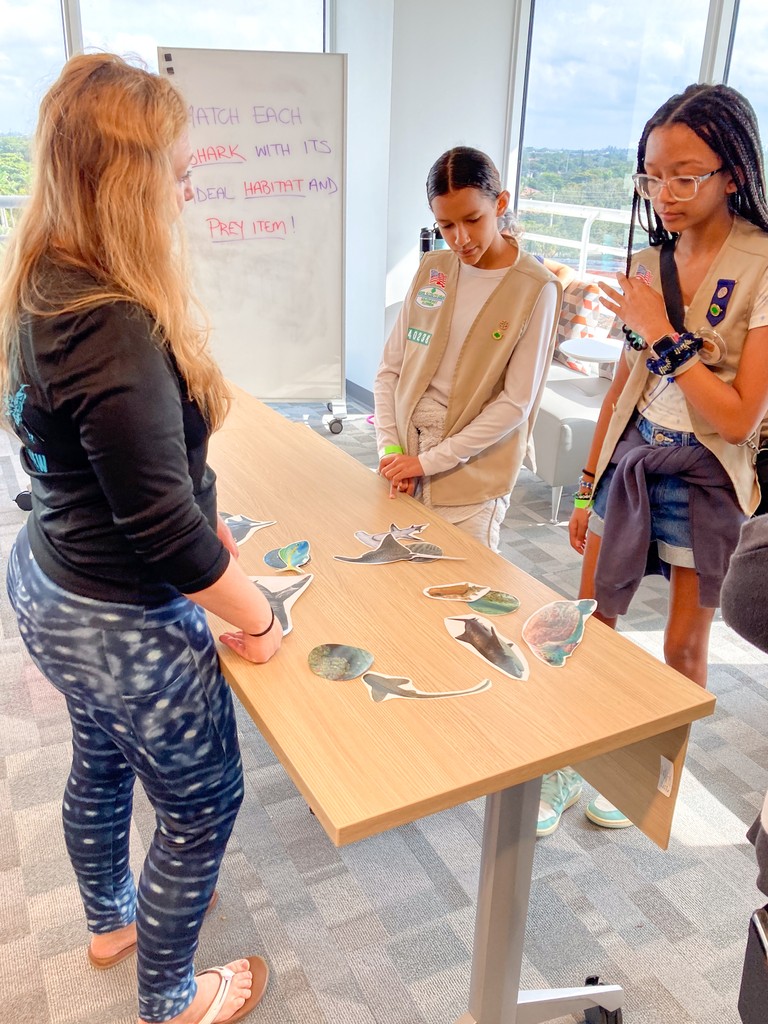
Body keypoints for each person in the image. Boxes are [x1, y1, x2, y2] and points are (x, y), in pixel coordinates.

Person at [0, 54, 282, 1024]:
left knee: (102, 755)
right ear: (126, 179)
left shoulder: (43, 278)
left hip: (51, 579)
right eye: (174, 165)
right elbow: (165, 532)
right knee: (202, 808)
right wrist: (258, 614)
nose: (187, 180)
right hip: (117, 620)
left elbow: (107, 470)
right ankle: (168, 999)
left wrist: (204, 525)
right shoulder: (111, 321)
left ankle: (111, 922)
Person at [537, 82, 768, 838]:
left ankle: (652, 770)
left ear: (732, 172)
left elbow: (736, 418)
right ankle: (569, 754)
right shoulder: (648, 258)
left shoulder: (763, 266)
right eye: (651, 176)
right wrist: (584, 485)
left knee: (682, 643)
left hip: (707, 473)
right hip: (632, 460)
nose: (664, 193)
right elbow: (622, 388)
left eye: (684, 174)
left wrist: (661, 332)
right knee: (588, 619)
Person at [374, 146, 562, 553]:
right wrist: (392, 452)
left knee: (460, 596)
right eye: (446, 225)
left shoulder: (535, 288)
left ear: (501, 203)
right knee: (397, 591)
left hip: (472, 473)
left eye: (473, 220)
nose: (460, 238)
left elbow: (516, 404)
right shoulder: (433, 269)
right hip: (407, 458)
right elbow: (390, 370)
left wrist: (429, 462)